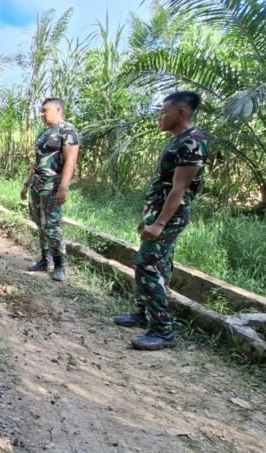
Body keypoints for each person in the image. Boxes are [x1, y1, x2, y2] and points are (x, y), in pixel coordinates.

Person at [112, 91, 208, 351]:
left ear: (182, 112)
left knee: (147, 266)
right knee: (160, 266)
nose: (160, 117)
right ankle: (145, 313)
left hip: (170, 215)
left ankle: (163, 330)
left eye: (164, 112)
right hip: (157, 210)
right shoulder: (178, 140)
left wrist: (160, 223)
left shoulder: (192, 143)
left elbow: (179, 189)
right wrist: (149, 217)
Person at [20, 98, 80, 282]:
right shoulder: (45, 133)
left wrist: (63, 187)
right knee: (39, 222)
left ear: (58, 109)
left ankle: (60, 264)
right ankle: (45, 260)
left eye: (45, 110)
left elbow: (71, 160)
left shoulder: (67, 131)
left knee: (53, 225)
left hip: (53, 185)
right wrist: (26, 184)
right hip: (37, 184)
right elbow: (37, 161)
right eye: (41, 111)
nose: (42, 114)